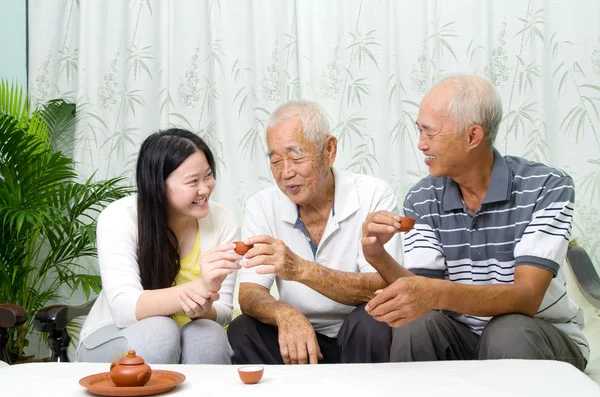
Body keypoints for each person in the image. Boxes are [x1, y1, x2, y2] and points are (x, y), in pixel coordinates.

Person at [361, 74, 588, 370]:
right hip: (463, 337)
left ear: (472, 136)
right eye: (419, 131)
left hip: (539, 335)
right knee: (415, 325)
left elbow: (527, 298)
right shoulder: (422, 197)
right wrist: (377, 256)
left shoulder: (546, 186)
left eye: (429, 133)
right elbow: (420, 290)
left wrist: (434, 293)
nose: (420, 145)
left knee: (506, 331)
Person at [227, 100, 402, 365]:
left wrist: (300, 269)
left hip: (360, 333)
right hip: (299, 338)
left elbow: (380, 286)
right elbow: (250, 292)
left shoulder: (373, 195)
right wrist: (284, 313)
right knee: (243, 329)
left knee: (374, 318)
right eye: (275, 160)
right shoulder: (262, 204)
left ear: (329, 150)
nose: (286, 172)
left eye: (296, 157)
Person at [77, 128, 241, 364]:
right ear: (157, 185)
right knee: (160, 331)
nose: (204, 189)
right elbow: (124, 309)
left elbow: (223, 312)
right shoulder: (120, 217)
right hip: (113, 337)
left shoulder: (223, 221)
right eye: (192, 181)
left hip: (182, 343)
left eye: (208, 176)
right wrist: (200, 286)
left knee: (208, 334)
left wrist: (202, 310)